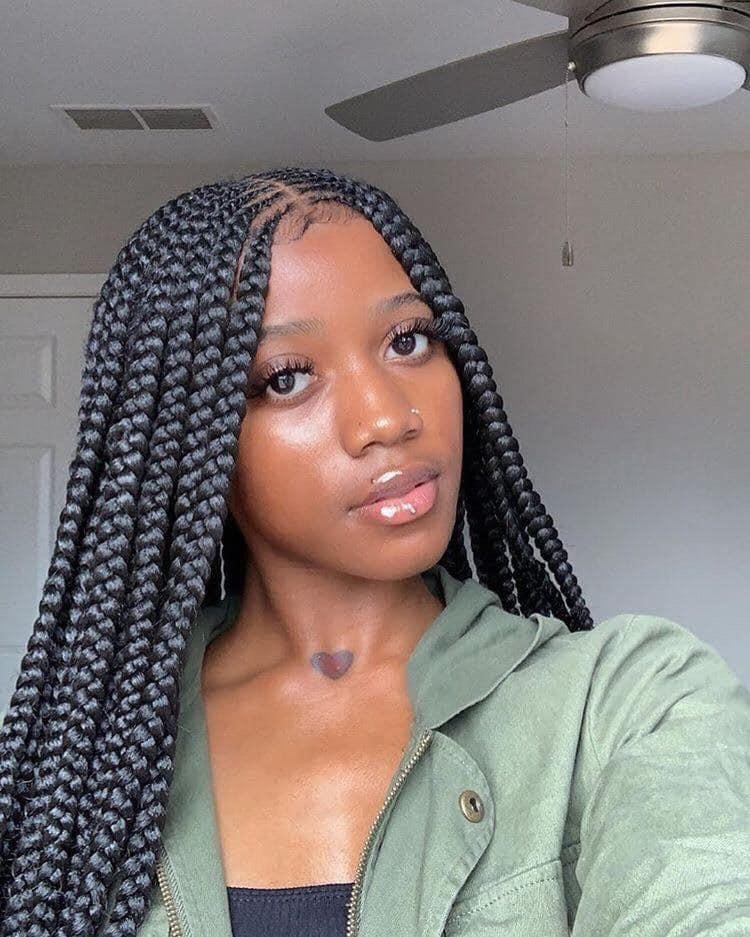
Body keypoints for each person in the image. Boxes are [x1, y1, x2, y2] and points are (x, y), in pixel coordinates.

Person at [0, 167, 748, 937]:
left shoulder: (626, 701)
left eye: (407, 340)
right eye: (287, 378)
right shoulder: (88, 757)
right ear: (188, 443)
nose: (387, 417)